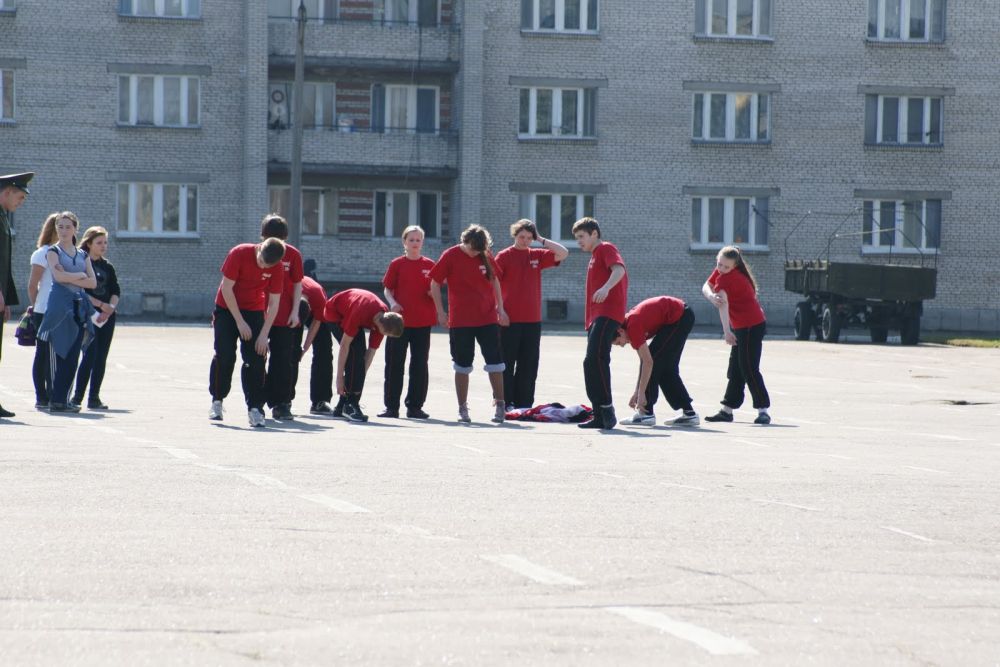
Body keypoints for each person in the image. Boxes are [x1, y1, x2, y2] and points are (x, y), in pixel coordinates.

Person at [429, 224, 509, 424]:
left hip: (487, 318)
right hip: (461, 320)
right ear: (464, 241)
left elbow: (495, 280)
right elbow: (435, 283)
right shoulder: (450, 255)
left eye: (478, 250)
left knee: (495, 361)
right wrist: (440, 312)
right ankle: (462, 408)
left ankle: (500, 404)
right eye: (472, 249)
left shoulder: (485, 254)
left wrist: (500, 308)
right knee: (462, 364)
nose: (474, 253)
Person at [209, 237, 286, 428]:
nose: (263, 267)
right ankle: (217, 400)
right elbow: (226, 289)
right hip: (227, 309)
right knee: (225, 355)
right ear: (259, 249)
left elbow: (274, 302)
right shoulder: (239, 253)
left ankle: (255, 408)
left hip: (254, 311)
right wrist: (240, 322)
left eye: (267, 266)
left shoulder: (277, 268)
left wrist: (264, 334)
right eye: (261, 261)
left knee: (257, 358)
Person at [495, 219, 568, 410]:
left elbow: (563, 253)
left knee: (529, 364)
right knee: (506, 362)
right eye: (522, 237)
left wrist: (541, 239)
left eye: (529, 237)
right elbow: (493, 284)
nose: (525, 241)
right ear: (514, 235)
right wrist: (500, 310)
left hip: (532, 320)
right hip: (509, 319)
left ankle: (524, 403)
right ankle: (505, 402)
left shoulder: (536, 254)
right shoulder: (504, 256)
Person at [702, 246, 771, 425]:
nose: (721, 268)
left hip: (751, 326)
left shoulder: (727, 279)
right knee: (735, 368)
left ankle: (763, 410)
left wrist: (726, 332)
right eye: (719, 264)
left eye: (726, 266)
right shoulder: (723, 271)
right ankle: (727, 410)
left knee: (748, 367)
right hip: (741, 326)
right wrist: (711, 296)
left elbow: (723, 307)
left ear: (735, 266)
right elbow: (706, 286)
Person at [37, 212, 96, 413]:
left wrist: (70, 276)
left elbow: (92, 282)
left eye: (67, 227)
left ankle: (64, 399)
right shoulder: (53, 251)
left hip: (78, 307)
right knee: (57, 354)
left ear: (75, 229)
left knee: (72, 356)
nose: (63, 231)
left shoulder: (83, 255)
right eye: (60, 226)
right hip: (59, 308)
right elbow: (58, 277)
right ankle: (55, 399)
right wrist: (79, 275)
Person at [572, 217, 628, 430]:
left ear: (594, 233)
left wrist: (606, 288)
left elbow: (619, 270)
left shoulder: (605, 248)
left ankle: (607, 411)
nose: (579, 241)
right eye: (576, 238)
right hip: (596, 316)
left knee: (595, 360)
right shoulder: (595, 255)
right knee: (593, 363)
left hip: (607, 313)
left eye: (581, 236)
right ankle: (599, 414)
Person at [614, 296, 699, 427]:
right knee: (666, 369)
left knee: (654, 362)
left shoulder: (633, 326)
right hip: (680, 316)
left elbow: (648, 362)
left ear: (620, 331)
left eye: (619, 342)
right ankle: (689, 413)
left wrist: (641, 394)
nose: (622, 345)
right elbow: (644, 362)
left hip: (680, 316)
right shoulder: (630, 326)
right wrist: (637, 392)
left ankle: (646, 414)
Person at [322, 288, 404, 422]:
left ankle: (343, 405)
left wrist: (358, 378)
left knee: (357, 362)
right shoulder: (361, 312)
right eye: (386, 334)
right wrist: (339, 378)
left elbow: (371, 352)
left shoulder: (383, 320)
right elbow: (344, 346)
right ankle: (349, 405)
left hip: (353, 312)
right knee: (354, 351)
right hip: (334, 312)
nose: (384, 336)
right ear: (380, 324)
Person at [380, 225, 436, 419]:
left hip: (422, 321)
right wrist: (393, 303)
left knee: (419, 364)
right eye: (411, 240)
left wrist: (433, 294)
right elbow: (387, 288)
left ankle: (415, 406)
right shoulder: (397, 264)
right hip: (399, 323)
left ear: (422, 242)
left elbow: (435, 288)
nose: (414, 243)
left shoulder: (430, 264)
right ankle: (391, 407)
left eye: (418, 240)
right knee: (394, 363)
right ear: (404, 242)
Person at [259, 214, 303, 421]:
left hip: (283, 317)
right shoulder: (259, 252)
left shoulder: (293, 254)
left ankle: (281, 403)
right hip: (259, 314)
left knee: (283, 361)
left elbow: (298, 285)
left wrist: (295, 311)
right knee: (257, 360)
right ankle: (257, 402)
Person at [71, 226, 120, 410]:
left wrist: (110, 309)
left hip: (107, 317)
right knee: (89, 356)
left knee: (101, 357)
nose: (103, 246)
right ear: (89, 243)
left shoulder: (108, 266)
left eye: (105, 242)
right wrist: (99, 305)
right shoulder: (82, 263)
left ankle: (94, 398)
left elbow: (115, 291)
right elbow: (80, 291)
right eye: (99, 243)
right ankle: (77, 398)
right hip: (88, 315)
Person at [0, 171, 33, 420]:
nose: (21, 203)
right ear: (8, 191)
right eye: (20, 197)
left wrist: (7, 298)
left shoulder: (3, 216)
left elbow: (4, 263)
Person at [27, 213, 58, 410]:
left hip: (62, 311)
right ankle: (41, 395)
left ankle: (55, 392)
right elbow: (32, 285)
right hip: (43, 310)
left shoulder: (65, 252)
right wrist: (35, 306)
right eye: (60, 227)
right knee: (43, 353)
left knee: (58, 354)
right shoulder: (43, 253)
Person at [295, 271, 336, 416]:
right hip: (291, 307)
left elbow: (316, 323)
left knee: (324, 351)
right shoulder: (286, 290)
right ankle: (284, 401)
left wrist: (304, 349)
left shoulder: (318, 297)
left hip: (316, 308)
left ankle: (320, 401)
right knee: (289, 350)